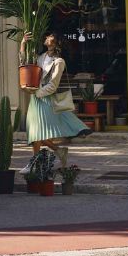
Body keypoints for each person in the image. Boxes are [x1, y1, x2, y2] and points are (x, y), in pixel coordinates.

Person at [19, 31, 91, 174]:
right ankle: (57, 151)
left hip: (45, 99)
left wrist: (38, 93)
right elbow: (25, 64)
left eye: (50, 36)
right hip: (35, 99)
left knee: (37, 133)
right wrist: (23, 43)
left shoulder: (59, 62)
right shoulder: (41, 57)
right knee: (35, 133)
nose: (46, 37)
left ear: (56, 42)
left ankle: (34, 163)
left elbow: (53, 85)